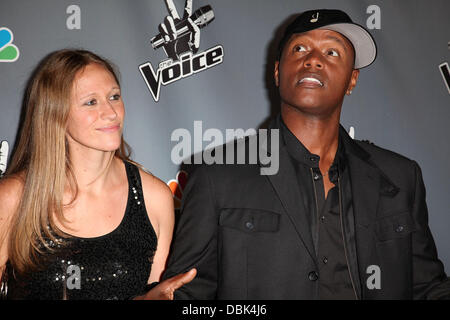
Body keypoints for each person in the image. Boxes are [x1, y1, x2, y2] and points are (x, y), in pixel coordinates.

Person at [162, 9, 450, 299]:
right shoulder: (217, 174)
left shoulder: (400, 176)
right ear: (277, 72)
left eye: (332, 52)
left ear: (352, 80)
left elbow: (426, 287)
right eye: (299, 48)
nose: (313, 59)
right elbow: (187, 296)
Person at [0, 49, 195, 300]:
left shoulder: (154, 197)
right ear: (55, 114)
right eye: (91, 102)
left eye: (114, 97)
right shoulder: (12, 199)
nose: (111, 112)